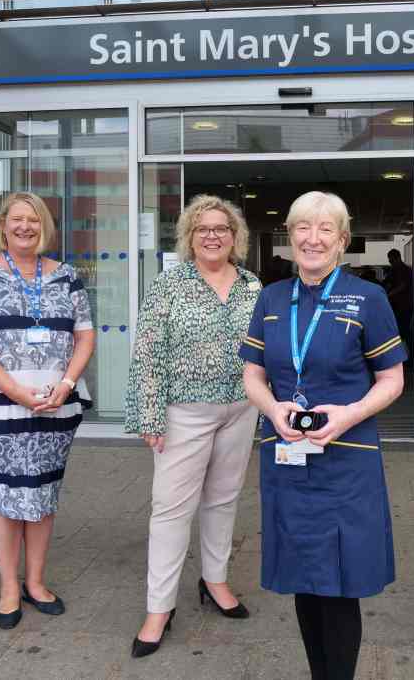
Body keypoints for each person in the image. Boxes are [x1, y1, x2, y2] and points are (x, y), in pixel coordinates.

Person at [241, 191, 406, 680]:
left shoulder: (369, 298)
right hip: (287, 457)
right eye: (302, 228)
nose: (312, 238)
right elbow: (252, 373)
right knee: (303, 581)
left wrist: (349, 414)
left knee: (339, 585)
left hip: (345, 462)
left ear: (343, 240)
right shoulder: (270, 298)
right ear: (290, 237)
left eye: (325, 228)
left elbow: (392, 380)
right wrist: (273, 409)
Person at [124, 195, 262, 659]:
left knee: (223, 500)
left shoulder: (251, 285)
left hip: (242, 408)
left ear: (234, 236)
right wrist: (150, 414)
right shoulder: (168, 285)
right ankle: (158, 608)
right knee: (170, 509)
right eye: (202, 228)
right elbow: (147, 352)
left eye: (221, 228)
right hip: (186, 411)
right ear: (189, 235)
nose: (212, 235)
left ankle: (215, 580)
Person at [0, 192, 96, 630]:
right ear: (3, 225)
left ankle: (35, 582)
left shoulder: (67, 276)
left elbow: (85, 336)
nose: (25, 227)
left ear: (44, 227)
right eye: (17, 219)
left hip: (56, 404)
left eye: (33, 220)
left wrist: (68, 383)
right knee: (8, 497)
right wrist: (14, 390)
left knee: (44, 494)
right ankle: (9, 588)